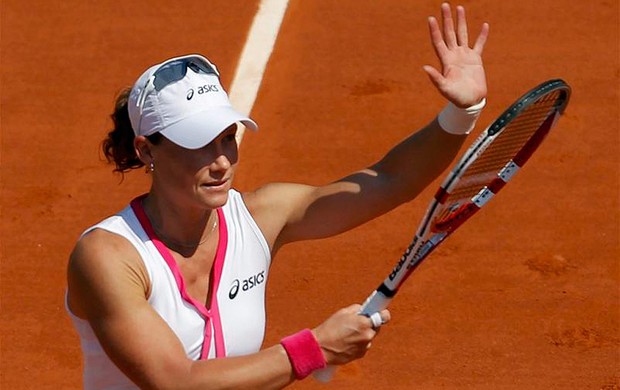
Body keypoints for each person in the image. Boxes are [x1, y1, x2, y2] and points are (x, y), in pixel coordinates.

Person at [66, 3, 489, 389]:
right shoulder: (108, 257)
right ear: (145, 150)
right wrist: (315, 349)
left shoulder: (260, 217)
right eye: (197, 144)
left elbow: (389, 180)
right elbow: (177, 383)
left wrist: (460, 114)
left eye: (227, 138)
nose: (221, 162)